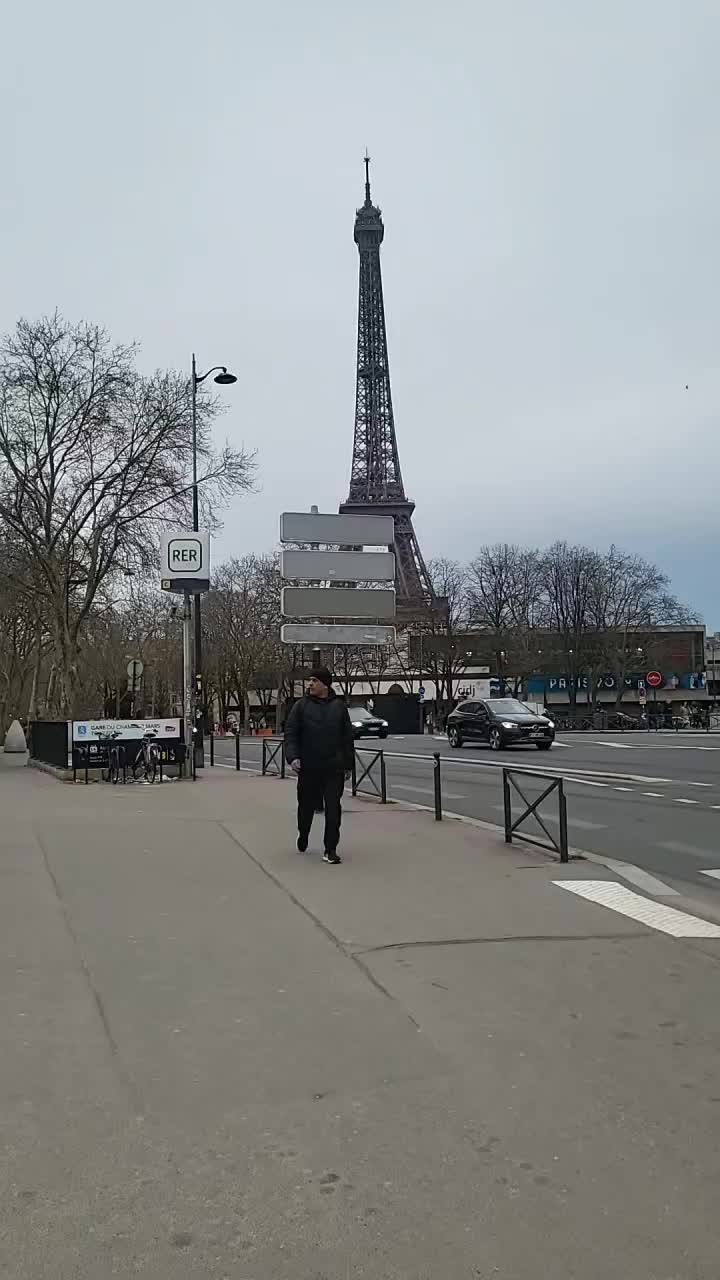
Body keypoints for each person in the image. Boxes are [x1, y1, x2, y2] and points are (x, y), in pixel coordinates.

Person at [283, 668, 354, 864]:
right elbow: (290, 734)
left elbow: (347, 738)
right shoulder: (301, 706)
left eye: (314, 681)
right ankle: (303, 833)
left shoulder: (339, 707)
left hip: (334, 768)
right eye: (309, 681)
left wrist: (348, 765)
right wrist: (293, 757)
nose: (310, 684)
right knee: (306, 808)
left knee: (333, 809)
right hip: (309, 767)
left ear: (325, 684)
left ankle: (330, 849)